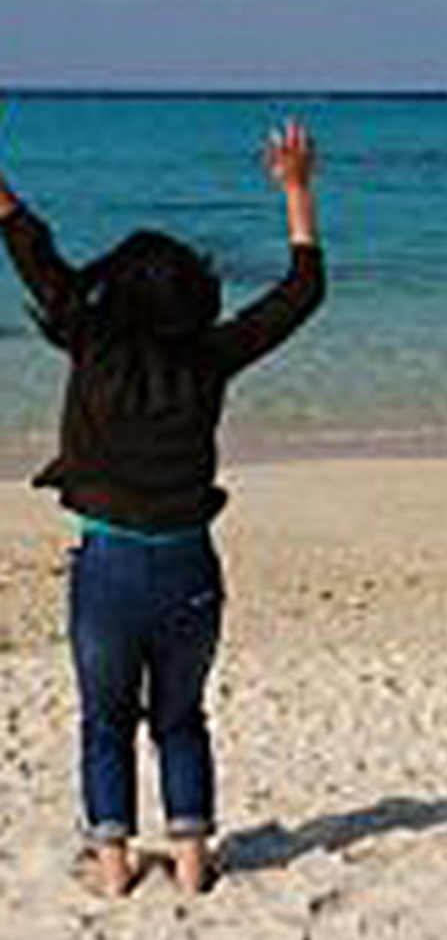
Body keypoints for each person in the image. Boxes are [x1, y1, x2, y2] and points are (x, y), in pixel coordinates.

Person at [0, 120, 326, 896]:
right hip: (189, 568)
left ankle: (112, 867)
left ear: (117, 291)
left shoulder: (90, 340)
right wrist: (295, 189)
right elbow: (300, 292)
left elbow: (31, 248)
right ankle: (189, 864)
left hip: (107, 570)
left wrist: (3, 193)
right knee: (181, 719)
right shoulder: (209, 357)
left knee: (104, 720)